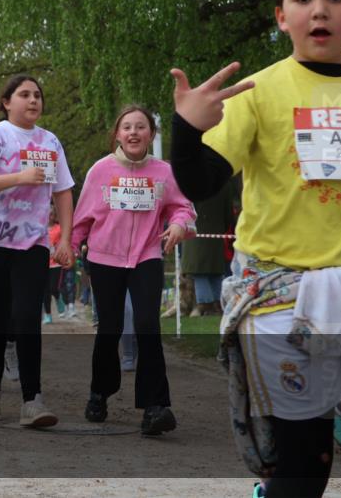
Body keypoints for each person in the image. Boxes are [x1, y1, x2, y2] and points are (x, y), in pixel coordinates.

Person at [169, 0, 341, 498]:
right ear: (281, 15)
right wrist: (186, 131)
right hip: (281, 300)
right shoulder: (258, 91)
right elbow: (200, 183)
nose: (319, 9)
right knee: (303, 470)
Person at [71, 104, 196, 435]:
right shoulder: (100, 170)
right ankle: (100, 392)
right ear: (117, 135)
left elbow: (183, 207)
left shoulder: (164, 172)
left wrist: (180, 224)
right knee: (109, 328)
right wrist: (69, 247)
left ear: (151, 135)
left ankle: (155, 407)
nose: (134, 133)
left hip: (146, 257)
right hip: (104, 258)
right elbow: (81, 218)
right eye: (127, 127)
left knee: (146, 326)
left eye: (141, 127)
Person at [0, 74, 75, 428]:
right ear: (7, 102)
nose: (33, 100)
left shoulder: (50, 141)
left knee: (27, 317)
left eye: (38, 95)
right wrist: (18, 177)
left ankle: (32, 399)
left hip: (32, 243)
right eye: (24, 94)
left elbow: (63, 191)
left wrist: (66, 239)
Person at [179, 176, 238, 316]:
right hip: (216, 233)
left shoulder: (191, 182)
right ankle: (219, 304)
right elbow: (228, 214)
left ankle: (205, 305)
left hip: (195, 231)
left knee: (200, 272)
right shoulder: (225, 183)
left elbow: (185, 208)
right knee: (215, 272)